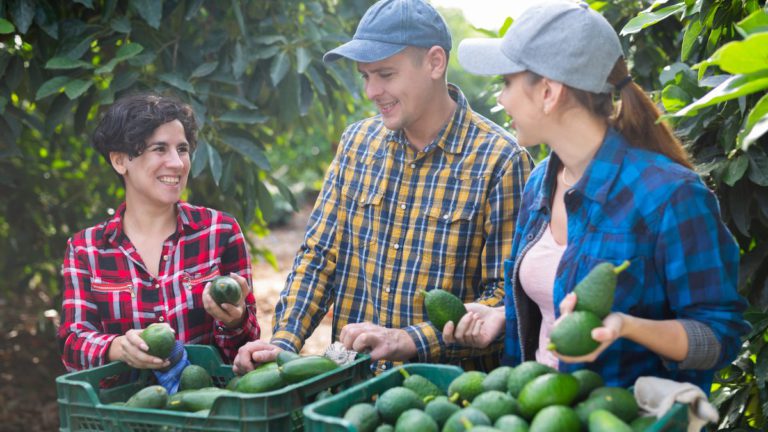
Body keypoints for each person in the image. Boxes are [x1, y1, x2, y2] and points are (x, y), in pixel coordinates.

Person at [445, 0, 749, 391]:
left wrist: (627, 327)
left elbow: (718, 338)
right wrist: (505, 316)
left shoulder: (669, 196)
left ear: (549, 93)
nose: (501, 99)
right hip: (540, 410)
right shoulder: (540, 182)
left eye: (506, 83)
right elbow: (554, 306)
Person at [233, 0, 532, 374]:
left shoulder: (500, 161)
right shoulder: (358, 144)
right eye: (365, 76)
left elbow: (507, 299)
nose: (372, 91)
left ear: (435, 63)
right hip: (351, 386)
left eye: (386, 74)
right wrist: (282, 342)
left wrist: (409, 339)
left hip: (444, 399)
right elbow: (320, 256)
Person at [58, 94, 260, 372]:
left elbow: (243, 350)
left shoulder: (220, 232)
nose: (177, 163)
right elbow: (73, 343)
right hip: (124, 408)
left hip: (208, 403)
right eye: (159, 149)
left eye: (182, 149)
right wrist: (118, 347)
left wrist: (236, 321)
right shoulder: (86, 249)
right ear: (120, 161)